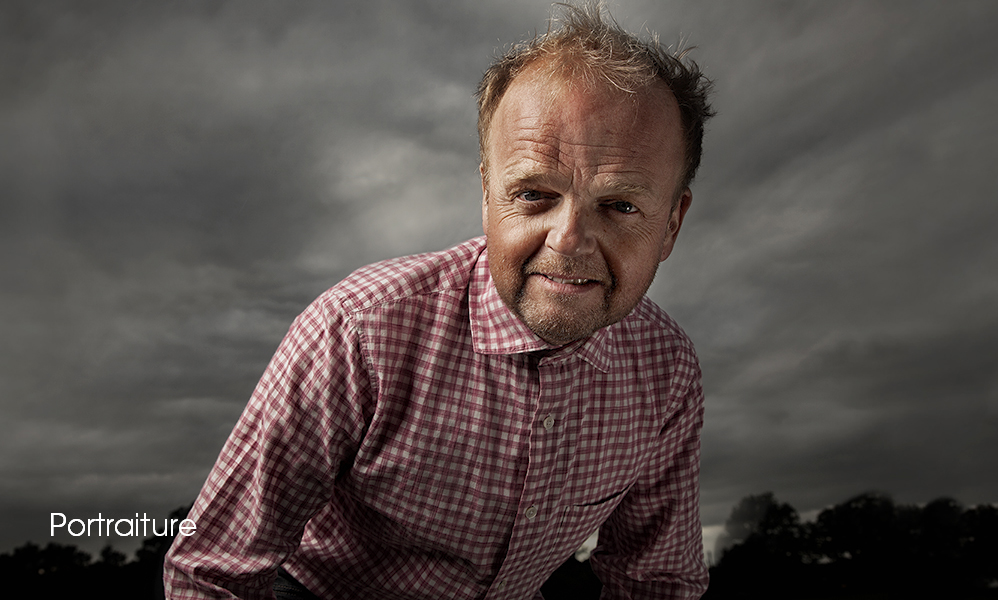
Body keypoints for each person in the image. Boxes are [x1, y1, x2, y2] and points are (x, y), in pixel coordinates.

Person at [164, 3, 714, 599]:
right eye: (533, 194)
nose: (569, 241)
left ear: (671, 224)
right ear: (487, 196)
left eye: (621, 205)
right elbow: (210, 573)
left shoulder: (667, 371)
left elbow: (656, 582)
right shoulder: (359, 330)